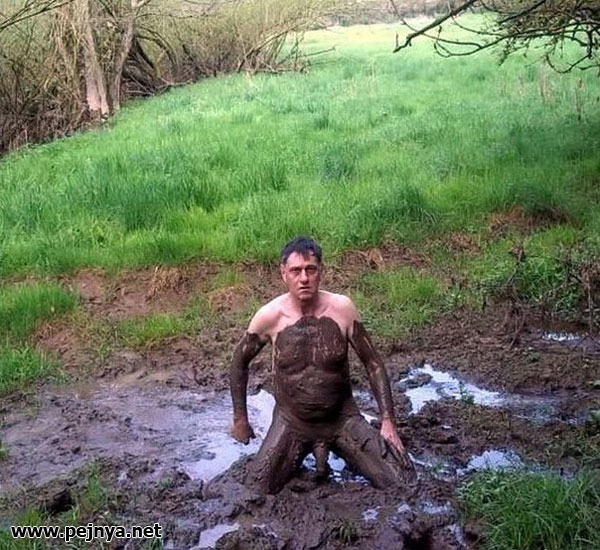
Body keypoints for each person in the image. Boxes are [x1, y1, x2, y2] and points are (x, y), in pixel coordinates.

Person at [229, 236, 413, 494]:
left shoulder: (342, 309)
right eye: (296, 271)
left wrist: (388, 421)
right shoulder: (270, 317)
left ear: (320, 271)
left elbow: (372, 363)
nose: (304, 278)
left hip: (343, 419)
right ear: (283, 273)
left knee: (402, 482)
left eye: (310, 270)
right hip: (292, 422)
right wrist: (240, 419)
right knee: (255, 491)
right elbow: (239, 363)